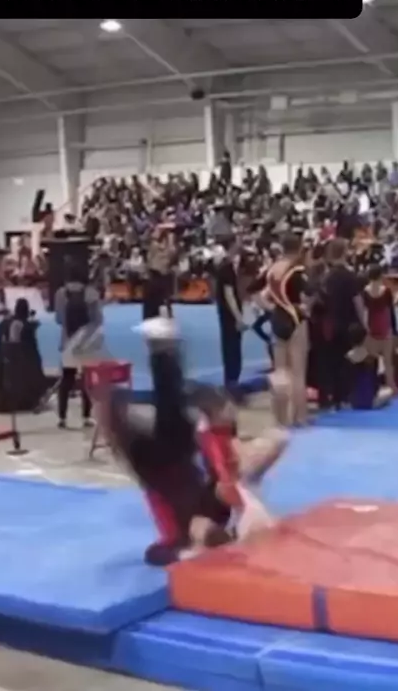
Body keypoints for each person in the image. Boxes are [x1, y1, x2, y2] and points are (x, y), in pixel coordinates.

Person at [94, 316, 287, 565]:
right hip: (180, 456)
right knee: (172, 405)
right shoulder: (217, 509)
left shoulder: (180, 533)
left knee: (153, 412)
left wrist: (185, 553)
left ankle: (157, 355)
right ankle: (162, 350)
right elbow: (227, 482)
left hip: (156, 469)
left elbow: (154, 554)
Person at [265, 233, 309, 426]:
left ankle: (280, 419)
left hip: (278, 317)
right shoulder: (296, 271)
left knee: (280, 372)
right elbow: (308, 295)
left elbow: (261, 295)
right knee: (298, 372)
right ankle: (300, 417)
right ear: (299, 249)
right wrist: (305, 308)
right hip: (295, 318)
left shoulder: (272, 269)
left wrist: (273, 307)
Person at [54, 261, 103, 428]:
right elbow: (98, 320)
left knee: (66, 379)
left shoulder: (61, 293)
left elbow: (59, 319)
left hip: (68, 340)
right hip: (86, 342)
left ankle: (62, 417)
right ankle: (86, 416)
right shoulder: (92, 293)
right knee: (87, 380)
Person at [324, 238, 366, 409]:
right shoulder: (349, 276)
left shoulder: (327, 276)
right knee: (349, 360)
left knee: (334, 360)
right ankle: (347, 394)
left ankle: (335, 397)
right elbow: (358, 301)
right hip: (349, 322)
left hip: (332, 322)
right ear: (343, 252)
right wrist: (364, 322)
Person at [0, 298, 47, 413]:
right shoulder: (27, 327)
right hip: (23, 360)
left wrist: (2, 347)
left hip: (4, 357)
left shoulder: (5, 322)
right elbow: (31, 347)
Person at [215, 238, 246, 391]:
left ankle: (232, 379)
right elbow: (229, 295)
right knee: (232, 348)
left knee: (231, 346)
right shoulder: (227, 269)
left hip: (226, 313)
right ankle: (232, 381)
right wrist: (238, 317)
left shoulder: (227, 267)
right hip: (229, 314)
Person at [363, 265, 397, 393]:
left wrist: (365, 329)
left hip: (372, 328)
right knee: (388, 361)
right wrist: (394, 330)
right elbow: (391, 311)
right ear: (380, 276)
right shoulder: (386, 291)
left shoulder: (365, 292)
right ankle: (391, 386)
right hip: (385, 327)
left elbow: (365, 312)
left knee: (372, 362)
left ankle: (372, 386)